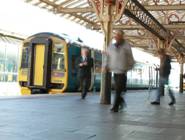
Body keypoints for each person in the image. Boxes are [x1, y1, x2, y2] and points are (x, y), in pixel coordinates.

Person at [103, 30, 135, 112]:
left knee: (118, 90)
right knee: (117, 89)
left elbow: (130, 58)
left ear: (122, 36)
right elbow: (107, 56)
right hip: (114, 71)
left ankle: (115, 107)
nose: (117, 37)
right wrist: (105, 65)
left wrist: (129, 67)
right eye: (116, 35)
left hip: (122, 71)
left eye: (118, 35)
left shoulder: (126, 46)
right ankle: (121, 102)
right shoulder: (111, 46)